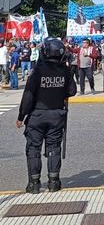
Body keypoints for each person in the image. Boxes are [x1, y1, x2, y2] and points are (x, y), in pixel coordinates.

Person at [16, 38, 77, 193]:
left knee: (33, 148)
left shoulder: (37, 71)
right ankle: (53, 182)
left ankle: (34, 183)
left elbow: (28, 96)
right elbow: (72, 91)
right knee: (54, 148)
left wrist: (21, 116)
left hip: (37, 114)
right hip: (56, 114)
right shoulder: (65, 71)